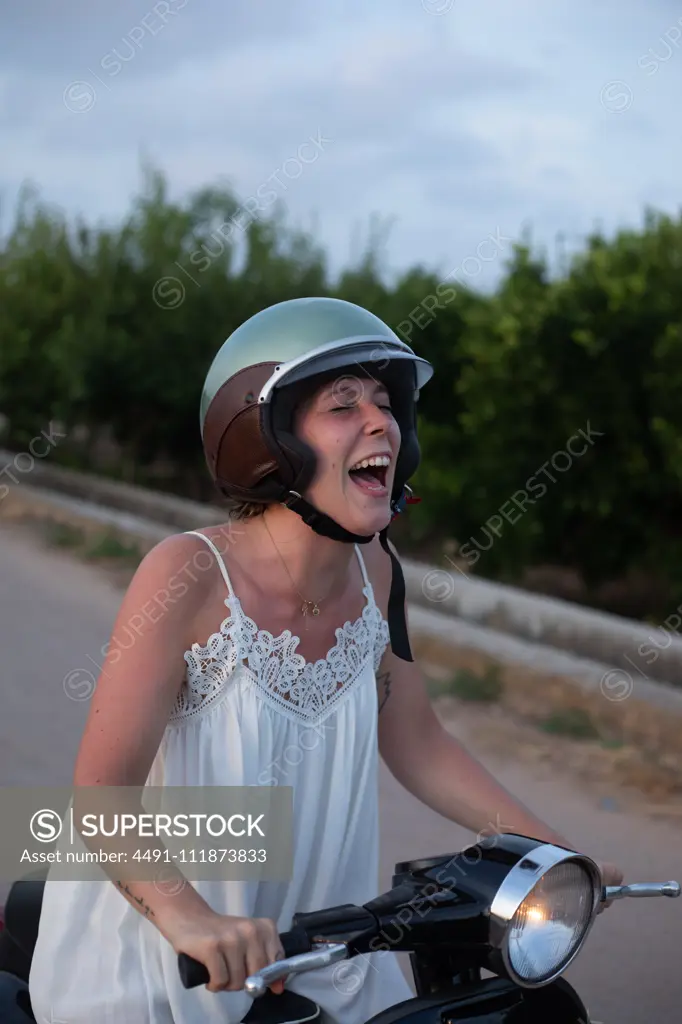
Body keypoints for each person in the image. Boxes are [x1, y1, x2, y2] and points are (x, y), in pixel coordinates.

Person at [29, 297, 623, 1023]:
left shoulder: (378, 572)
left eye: (385, 403)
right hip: (164, 953)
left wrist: (557, 854)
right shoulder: (187, 573)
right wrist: (192, 921)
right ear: (266, 441)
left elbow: (418, 741)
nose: (381, 423)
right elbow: (101, 790)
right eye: (343, 406)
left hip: (318, 952)